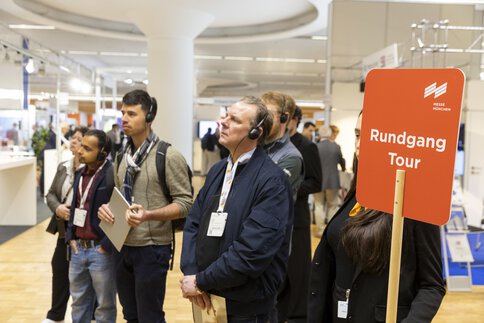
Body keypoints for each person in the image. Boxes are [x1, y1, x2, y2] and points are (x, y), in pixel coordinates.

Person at [308, 111, 445, 323]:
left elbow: (432, 285)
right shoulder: (361, 189)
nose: (360, 144)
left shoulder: (415, 201)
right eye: (357, 135)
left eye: (371, 135)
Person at [180, 96, 294, 322]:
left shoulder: (273, 181)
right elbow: (193, 223)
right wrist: (192, 273)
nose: (223, 122)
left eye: (234, 120)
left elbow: (252, 251)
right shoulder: (218, 170)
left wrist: (202, 281)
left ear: (255, 133)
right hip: (207, 294)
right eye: (225, 116)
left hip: (246, 306)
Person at [98, 89, 193, 323]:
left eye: (132, 113)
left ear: (149, 117)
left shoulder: (168, 156)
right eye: (123, 113)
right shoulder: (121, 157)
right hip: (122, 246)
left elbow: (185, 203)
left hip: (152, 248)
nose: (125, 119)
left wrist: (148, 215)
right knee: (130, 315)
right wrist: (107, 209)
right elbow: (119, 198)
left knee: (149, 316)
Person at [65, 129, 116, 323]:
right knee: (78, 303)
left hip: (100, 251)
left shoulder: (111, 175)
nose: (80, 151)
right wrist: (70, 237)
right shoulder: (80, 174)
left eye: (87, 148)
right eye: (81, 146)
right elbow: (76, 207)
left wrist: (106, 245)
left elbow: (119, 212)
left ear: (102, 152)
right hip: (78, 250)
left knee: (105, 306)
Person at [280, 106, 321, 322]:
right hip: (276, 218)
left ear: (294, 120)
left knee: (297, 270)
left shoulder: (307, 147)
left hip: (298, 217)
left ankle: (297, 314)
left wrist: (291, 187)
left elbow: (316, 182)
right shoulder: (271, 146)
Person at [43, 126, 88, 323]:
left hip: (85, 231)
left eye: (79, 140)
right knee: (59, 266)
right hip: (63, 229)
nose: (73, 142)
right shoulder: (64, 166)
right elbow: (51, 194)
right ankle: (55, 315)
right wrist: (58, 208)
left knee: (88, 274)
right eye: (73, 138)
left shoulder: (93, 170)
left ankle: (91, 315)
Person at [261, 91, 304, 199]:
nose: (262, 121)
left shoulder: (291, 157)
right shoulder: (254, 146)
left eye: (268, 115)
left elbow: (265, 194)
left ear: (284, 117)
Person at [314, 125, 346, 236]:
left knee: (318, 205)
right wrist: (343, 168)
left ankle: (320, 231)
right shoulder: (336, 147)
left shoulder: (315, 147)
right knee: (332, 206)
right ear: (329, 134)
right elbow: (342, 163)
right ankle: (331, 232)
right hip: (333, 181)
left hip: (318, 181)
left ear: (320, 134)